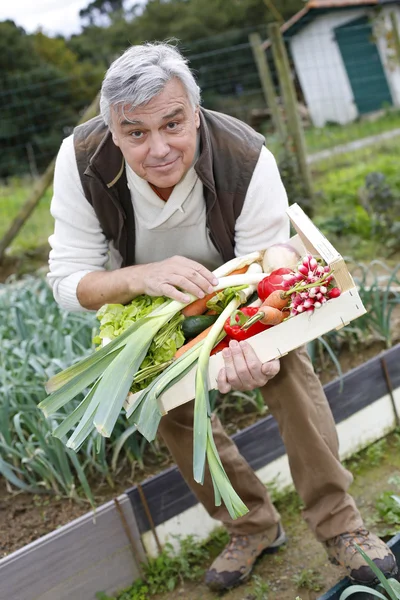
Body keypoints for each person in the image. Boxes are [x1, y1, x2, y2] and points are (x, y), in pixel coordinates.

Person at [47, 41, 397, 592]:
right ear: (112, 129)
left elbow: (272, 258)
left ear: (196, 111)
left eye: (173, 124)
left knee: (287, 374)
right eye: (135, 133)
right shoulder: (81, 158)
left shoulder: (245, 153)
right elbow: (68, 282)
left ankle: (339, 525)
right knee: (170, 409)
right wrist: (140, 276)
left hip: (242, 290)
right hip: (151, 302)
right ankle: (252, 526)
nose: (158, 148)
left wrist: (258, 336)